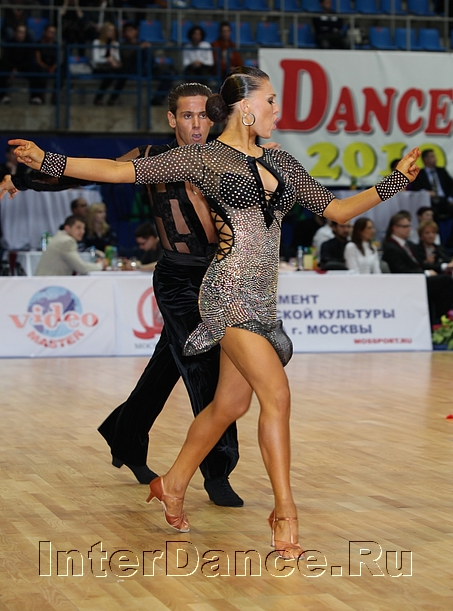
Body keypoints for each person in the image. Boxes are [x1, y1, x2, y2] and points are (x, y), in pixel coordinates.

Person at [10, 66, 421, 558]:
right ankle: (285, 514)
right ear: (246, 107)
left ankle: (173, 482)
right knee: (277, 396)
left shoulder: (281, 161)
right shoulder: (203, 159)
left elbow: (336, 211)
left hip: (264, 299)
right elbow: (119, 171)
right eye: (271, 101)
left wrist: (395, 181)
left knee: (229, 406)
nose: (278, 110)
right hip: (226, 294)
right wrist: (47, 160)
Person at [3, 83, 245, 507]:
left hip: (221, 276)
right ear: (171, 119)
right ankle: (217, 470)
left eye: (204, 115)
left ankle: (125, 436)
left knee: (166, 368)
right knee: (205, 366)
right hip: (177, 279)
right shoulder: (150, 159)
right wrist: (25, 179)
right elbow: (88, 172)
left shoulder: (228, 159)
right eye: (187, 115)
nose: (196, 124)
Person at [382, 211, 453, 323]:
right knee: (446, 281)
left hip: (417, 278)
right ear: (395, 228)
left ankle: (440, 319)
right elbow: (401, 271)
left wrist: (443, 267)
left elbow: (421, 263)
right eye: (406, 226)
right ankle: (444, 320)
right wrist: (426, 273)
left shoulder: (408, 244)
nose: (409, 229)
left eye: (409, 226)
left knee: (443, 280)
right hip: (407, 282)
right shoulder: (391, 248)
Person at [35, 215, 107, 276]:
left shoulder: (59, 237)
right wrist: (100, 265)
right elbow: (81, 268)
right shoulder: (67, 241)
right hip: (51, 283)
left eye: (83, 228)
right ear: (67, 228)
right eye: (78, 228)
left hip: (45, 281)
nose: (82, 231)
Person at [408, 148, 453, 220]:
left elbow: (451, 185)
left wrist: (450, 198)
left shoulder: (442, 171)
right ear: (426, 159)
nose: (435, 158)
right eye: (432, 156)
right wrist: (425, 192)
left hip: (445, 200)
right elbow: (416, 188)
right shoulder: (419, 174)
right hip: (429, 201)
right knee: (429, 212)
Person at [0, 24, 36, 105]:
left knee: (35, 68)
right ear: (15, 33)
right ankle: (3, 96)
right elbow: (5, 58)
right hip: (10, 67)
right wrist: (13, 69)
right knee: (2, 68)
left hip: (24, 67)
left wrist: (17, 69)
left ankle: (35, 97)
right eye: (19, 32)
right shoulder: (9, 43)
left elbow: (29, 60)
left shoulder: (29, 44)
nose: (21, 34)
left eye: (23, 32)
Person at [91, 22, 122, 106]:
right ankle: (98, 98)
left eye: (113, 30)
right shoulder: (97, 42)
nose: (111, 32)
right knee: (110, 75)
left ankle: (113, 99)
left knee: (123, 75)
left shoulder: (116, 44)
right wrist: (108, 60)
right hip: (100, 67)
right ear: (104, 31)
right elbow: (96, 59)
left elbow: (118, 58)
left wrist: (114, 60)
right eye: (109, 30)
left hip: (112, 66)